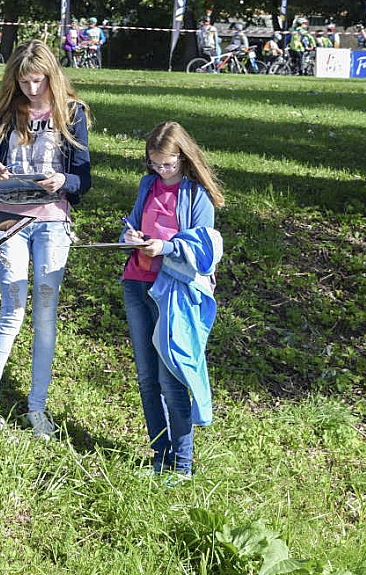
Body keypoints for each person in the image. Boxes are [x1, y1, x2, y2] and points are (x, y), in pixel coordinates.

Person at [0, 40, 92, 440]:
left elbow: (83, 178)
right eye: (24, 82)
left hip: (53, 220)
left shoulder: (72, 113)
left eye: (38, 81)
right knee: (11, 310)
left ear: (51, 77)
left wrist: (65, 181)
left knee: (44, 316)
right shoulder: (7, 112)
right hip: (10, 220)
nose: (32, 90)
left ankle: (36, 407)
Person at [119, 121, 224, 479]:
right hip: (137, 282)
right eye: (155, 164)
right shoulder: (148, 185)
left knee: (171, 378)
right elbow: (131, 223)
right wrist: (130, 235)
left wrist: (164, 246)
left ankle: (182, 465)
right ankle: (159, 456)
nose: (162, 171)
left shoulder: (197, 195)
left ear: (183, 157)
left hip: (174, 292)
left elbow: (203, 248)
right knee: (148, 379)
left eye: (168, 164)